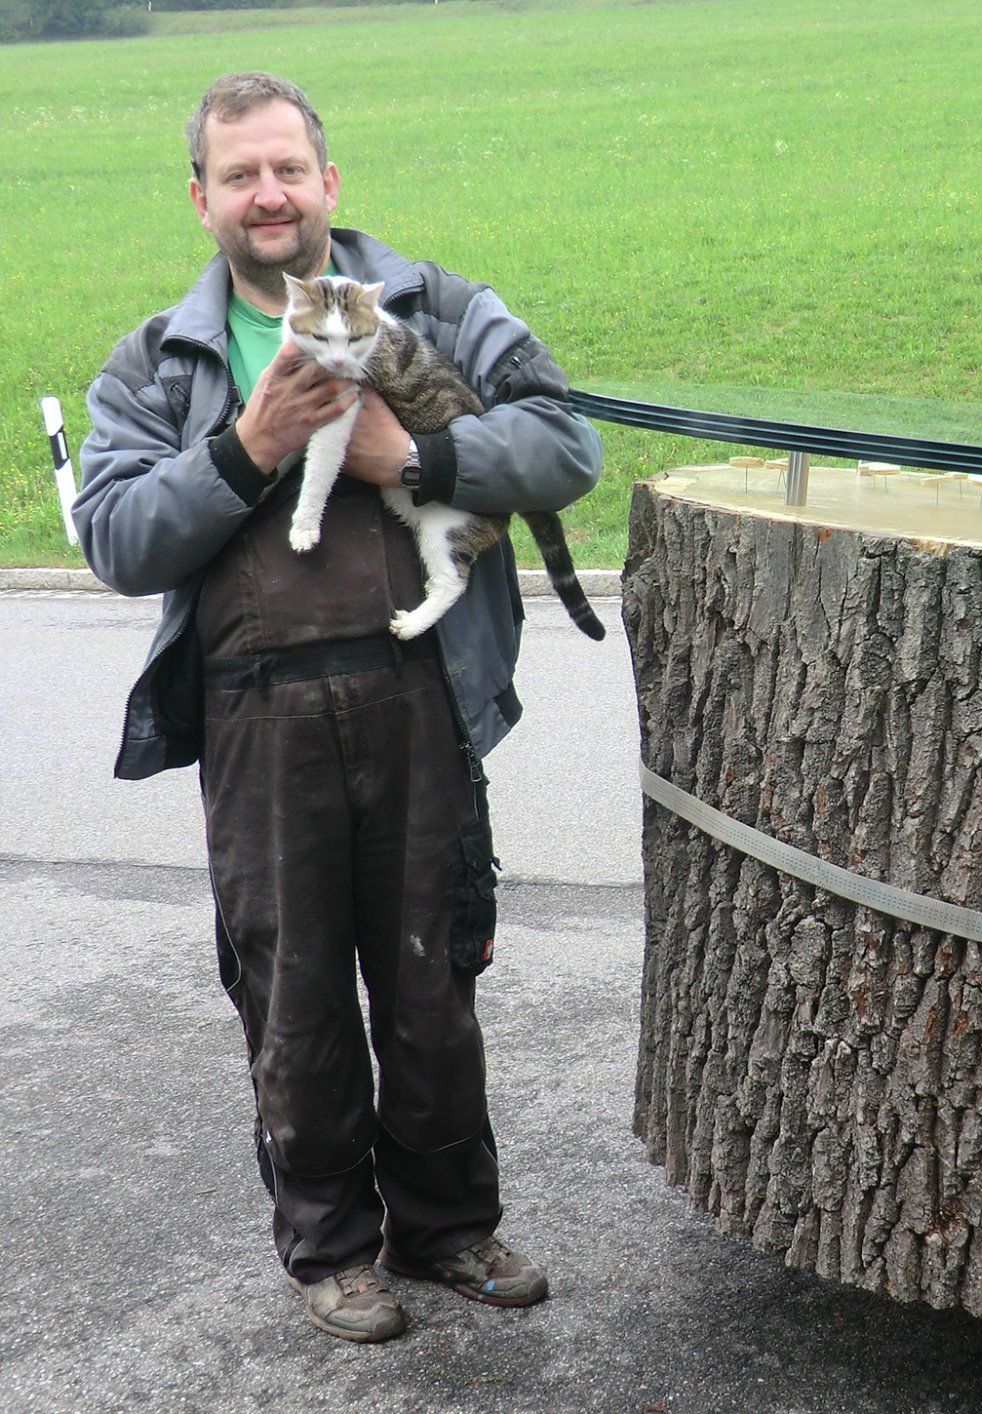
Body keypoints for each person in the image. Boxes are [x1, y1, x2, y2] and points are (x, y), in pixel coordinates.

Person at [74, 72, 603, 1344]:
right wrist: (246, 447)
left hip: (419, 697)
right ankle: (333, 1250)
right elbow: (116, 536)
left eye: (287, 169)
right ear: (201, 198)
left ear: (328, 181)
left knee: (432, 984)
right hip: (256, 722)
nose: (268, 194)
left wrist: (413, 456)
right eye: (239, 176)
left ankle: (448, 1226)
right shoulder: (160, 362)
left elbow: (565, 447)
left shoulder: (440, 308)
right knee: (294, 1000)